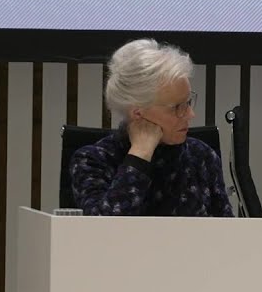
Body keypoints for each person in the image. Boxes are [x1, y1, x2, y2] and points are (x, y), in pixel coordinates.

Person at [70, 39, 233, 217]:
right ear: (138, 113)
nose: (190, 114)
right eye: (177, 107)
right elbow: (102, 227)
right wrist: (140, 155)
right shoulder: (93, 160)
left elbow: (227, 230)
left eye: (187, 102)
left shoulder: (201, 156)